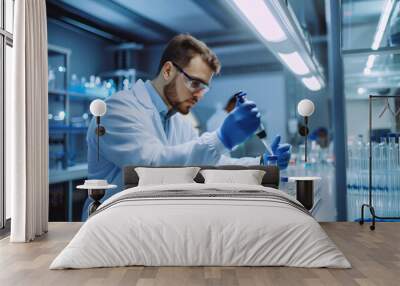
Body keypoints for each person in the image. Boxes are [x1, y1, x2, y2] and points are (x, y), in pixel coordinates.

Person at [82, 34, 291, 220]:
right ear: (167, 71)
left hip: (152, 222)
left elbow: (209, 165)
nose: (199, 95)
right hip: (112, 224)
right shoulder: (117, 109)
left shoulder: (179, 122)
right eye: (195, 83)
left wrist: (261, 163)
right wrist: (221, 139)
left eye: (204, 88)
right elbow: (150, 165)